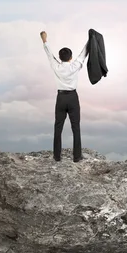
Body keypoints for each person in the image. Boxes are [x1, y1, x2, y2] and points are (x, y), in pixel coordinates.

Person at [40, 31, 87, 162]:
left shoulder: (56, 66)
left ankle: (56, 156)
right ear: (71, 57)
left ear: (60, 58)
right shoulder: (75, 66)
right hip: (72, 97)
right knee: (76, 127)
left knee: (58, 127)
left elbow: (49, 54)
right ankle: (77, 157)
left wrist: (44, 40)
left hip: (60, 98)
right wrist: (90, 39)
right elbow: (83, 54)